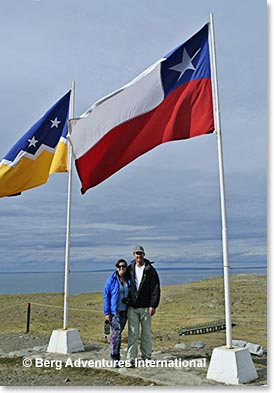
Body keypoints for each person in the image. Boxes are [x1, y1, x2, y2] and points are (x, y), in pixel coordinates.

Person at [126, 246, 160, 365]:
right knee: (132, 333)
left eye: (140, 253)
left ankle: (146, 357)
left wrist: (153, 305)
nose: (138, 255)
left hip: (146, 307)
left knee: (146, 333)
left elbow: (155, 288)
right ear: (133, 255)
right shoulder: (129, 268)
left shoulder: (150, 269)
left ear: (144, 254)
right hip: (132, 307)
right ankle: (131, 358)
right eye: (136, 253)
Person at [103, 259, 131, 363]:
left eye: (123, 266)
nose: (121, 268)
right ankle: (114, 356)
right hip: (115, 312)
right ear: (116, 268)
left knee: (118, 333)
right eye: (119, 267)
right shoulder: (111, 280)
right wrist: (107, 312)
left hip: (125, 310)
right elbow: (106, 296)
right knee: (116, 332)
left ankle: (116, 355)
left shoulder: (128, 279)